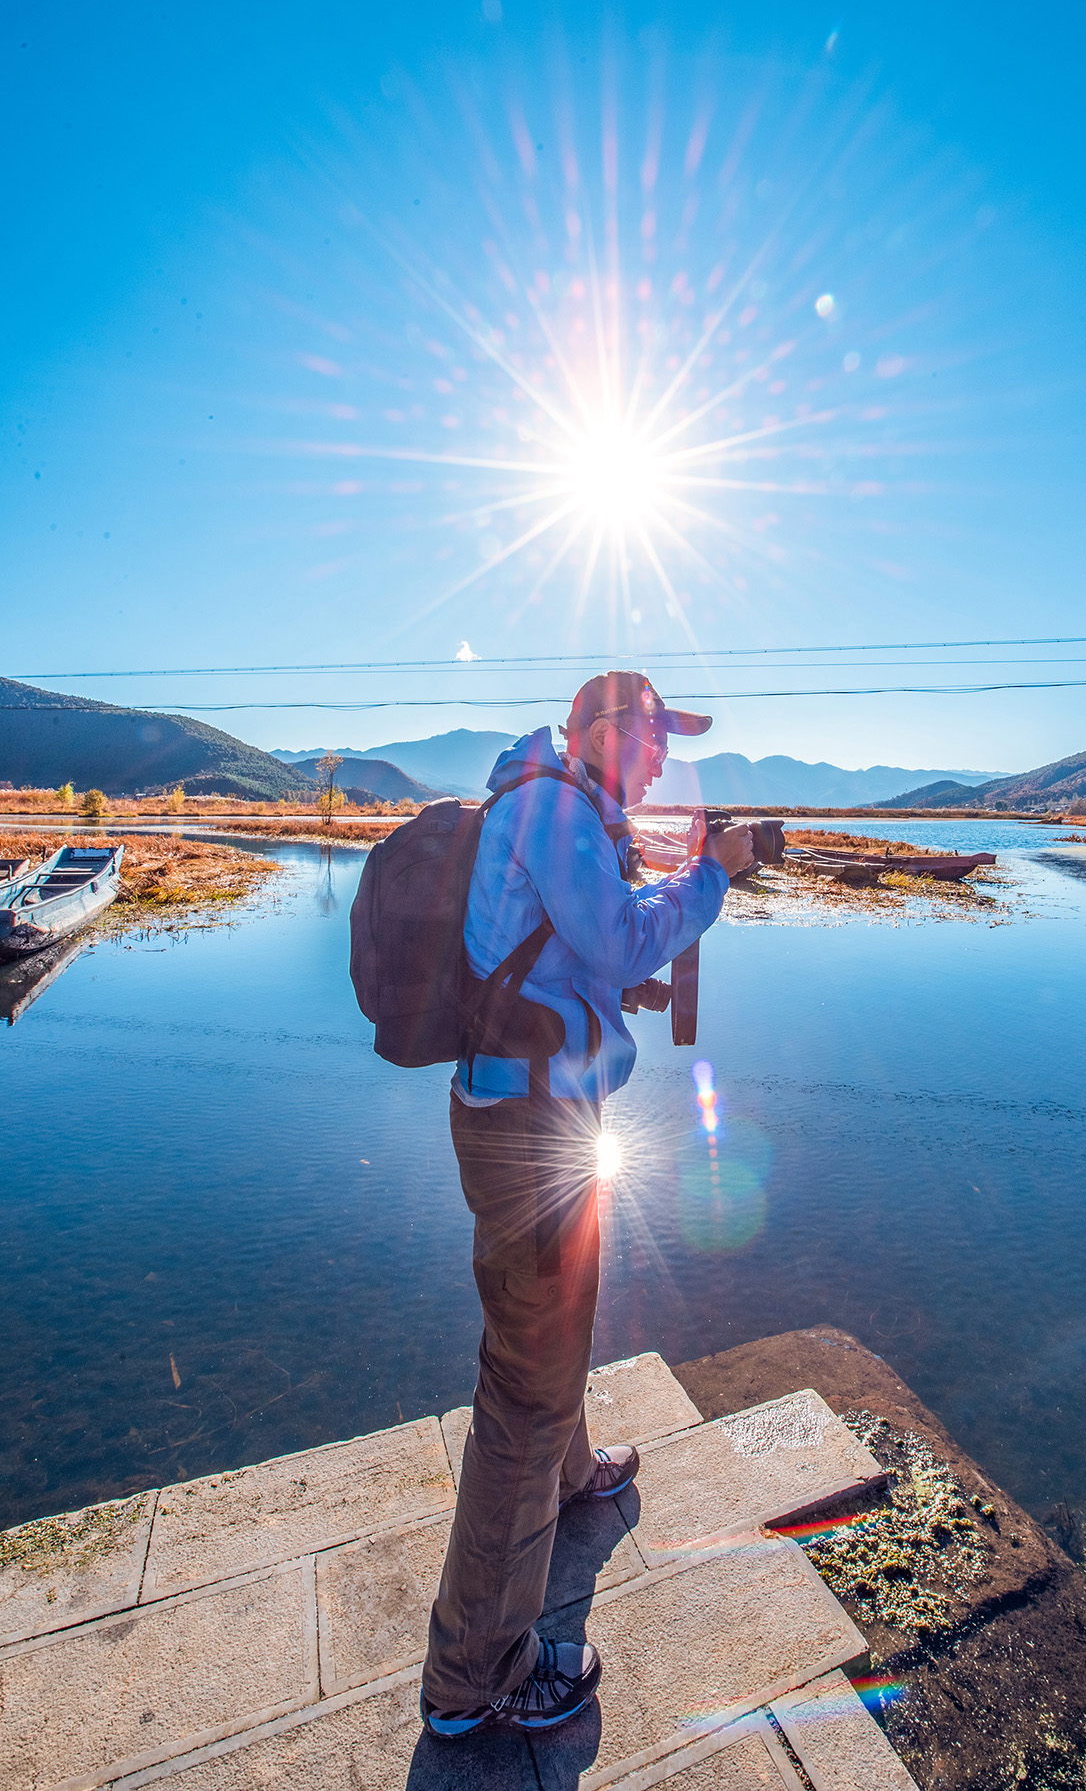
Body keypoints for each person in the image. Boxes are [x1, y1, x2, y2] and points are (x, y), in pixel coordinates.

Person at [420, 672, 754, 1739]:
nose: (662, 758)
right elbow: (612, 937)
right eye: (656, 737)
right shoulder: (557, 806)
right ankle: (473, 1673)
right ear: (607, 730)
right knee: (520, 1390)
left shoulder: (560, 802)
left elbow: (573, 952)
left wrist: (620, 983)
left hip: (541, 1117)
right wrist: (710, 877)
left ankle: (569, 1475)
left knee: (548, 1346)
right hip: (528, 1131)